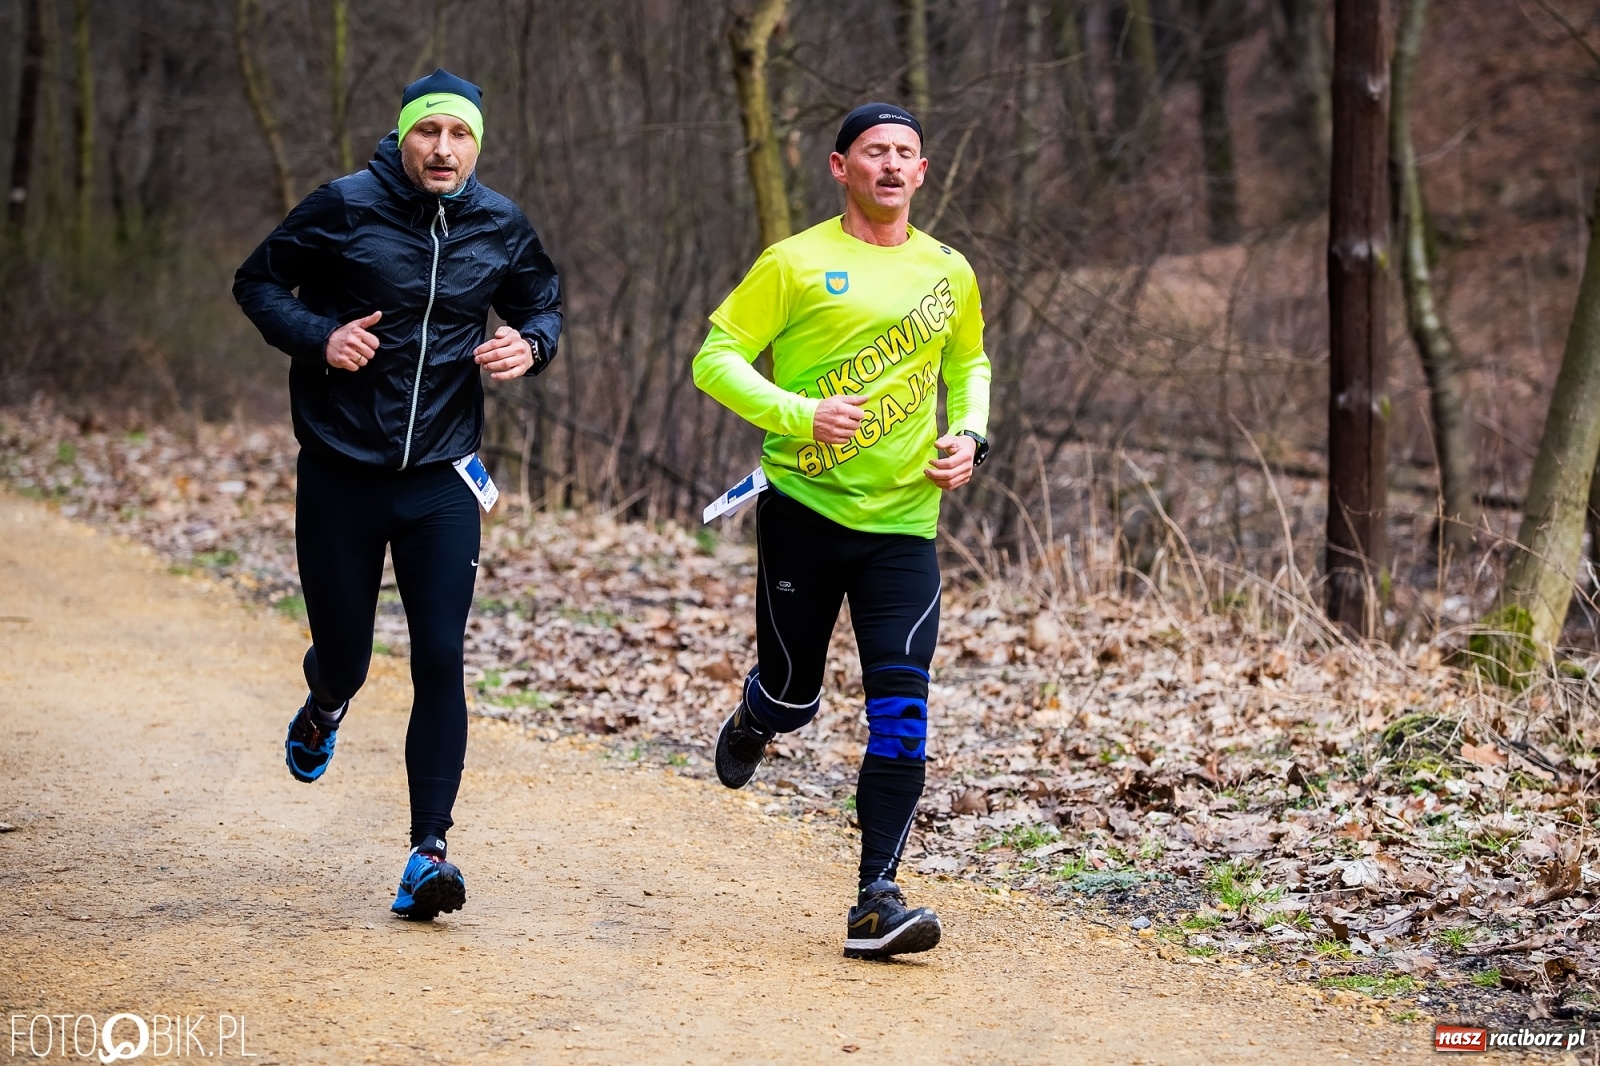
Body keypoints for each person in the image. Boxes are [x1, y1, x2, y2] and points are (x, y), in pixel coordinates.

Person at [233, 69, 561, 921]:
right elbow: (258, 283)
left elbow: (543, 303)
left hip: (445, 477)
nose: (443, 149)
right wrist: (319, 336)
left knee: (440, 656)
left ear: (477, 144)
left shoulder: (500, 224)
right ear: (404, 137)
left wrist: (530, 344)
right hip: (342, 468)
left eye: (459, 135)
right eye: (428, 133)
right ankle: (326, 702)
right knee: (346, 654)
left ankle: (428, 854)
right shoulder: (344, 206)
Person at [693, 102, 991, 959]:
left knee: (903, 711)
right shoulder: (794, 262)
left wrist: (969, 435)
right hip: (805, 511)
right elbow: (713, 358)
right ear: (840, 167)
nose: (891, 166)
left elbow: (969, 361)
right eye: (874, 153)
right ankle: (758, 714)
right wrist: (796, 411)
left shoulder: (949, 272)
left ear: (923, 173)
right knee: (794, 695)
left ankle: (876, 898)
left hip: (904, 525)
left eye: (906, 154)